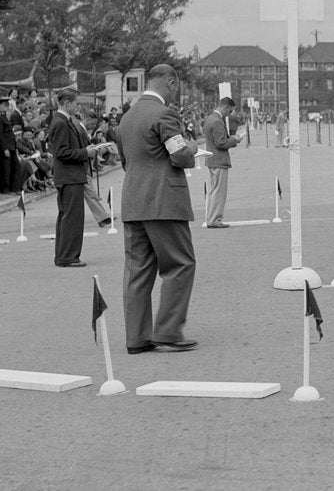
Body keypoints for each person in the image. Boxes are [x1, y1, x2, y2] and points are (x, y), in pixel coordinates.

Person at [116, 64, 199, 354]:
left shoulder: (127, 117)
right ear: (172, 83)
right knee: (180, 264)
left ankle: (137, 337)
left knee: (138, 271)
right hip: (163, 203)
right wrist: (192, 147)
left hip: (133, 203)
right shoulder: (164, 114)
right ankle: (168, 331)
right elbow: (180, 156)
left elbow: (126, 161)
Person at [47, 88, 102, 268]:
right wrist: (85, 152)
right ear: (67, 103)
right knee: (72, 218)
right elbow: (62, 152)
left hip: (69, 176)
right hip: (70, 176)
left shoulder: (63, 121)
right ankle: (69, 256)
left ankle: (63, 255)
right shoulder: (61, 123)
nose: (78, 106)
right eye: (77, 103)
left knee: (66, 217)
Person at [203, 97, 241, 229]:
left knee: (213, 191)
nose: (229, 114)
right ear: (225, 108)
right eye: (229, 111)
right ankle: (215, 220)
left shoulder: (209, 119)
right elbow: (221, 143)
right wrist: (235, 140)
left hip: (211, 159)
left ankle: (210, 218)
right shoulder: (218, 121)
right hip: (219, 160)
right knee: (219, 192)